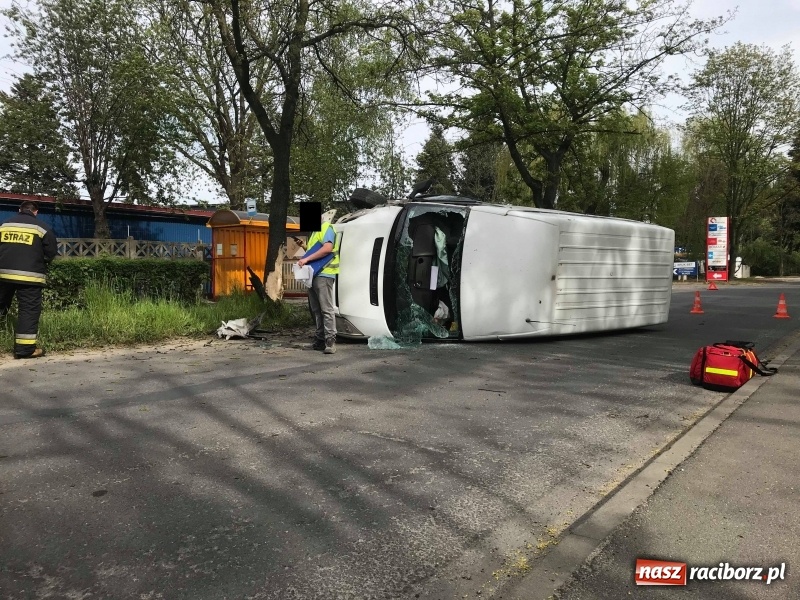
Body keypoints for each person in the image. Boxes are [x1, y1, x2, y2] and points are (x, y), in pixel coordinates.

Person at [0, 201, 58, 359]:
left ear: (19, 210)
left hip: (3, 275)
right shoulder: (42, 227)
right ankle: (25, 350)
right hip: (30, 276)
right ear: (35, 212)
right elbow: (51, 252)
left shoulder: (4, 225)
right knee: (28, 311)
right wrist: (39, 260)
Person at [296, 220, 339, 354]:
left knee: (326, 309)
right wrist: (304, 247)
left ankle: (330, 341)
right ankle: (320, 341)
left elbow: (327, 248)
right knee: (317, 309)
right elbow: (315, 252)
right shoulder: (315, 232)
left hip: (324, 273)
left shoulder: (326, 228)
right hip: (314, 274)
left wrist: (306, 259)